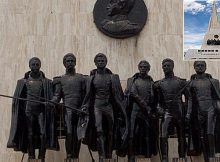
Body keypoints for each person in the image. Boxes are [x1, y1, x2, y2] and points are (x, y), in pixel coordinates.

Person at [77, 53, 128, 162]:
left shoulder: (113, 77)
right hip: (97, 106)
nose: (101, 62)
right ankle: (101, 156)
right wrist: (84, 107)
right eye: (99, 61)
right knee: (99, 131)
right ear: (95, 63)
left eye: (103, 60)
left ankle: (109, 154)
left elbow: (118, 95)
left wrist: (122, 109)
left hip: (108, 106)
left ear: (106, 62)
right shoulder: (91, 78)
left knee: (111, 131)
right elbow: (88, 96)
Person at [7, 57, 58, 162]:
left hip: (41, 111)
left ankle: (41, 156)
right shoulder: (23, 82)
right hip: (28, 111)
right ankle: (31, 156)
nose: (35, 66)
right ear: (29, 66)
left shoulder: (46, 82)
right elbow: (16, 99)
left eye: (37, 64)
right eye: (33, 65)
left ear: (40, 66)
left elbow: (54, 97)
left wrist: (50, 102)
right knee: (29, 133)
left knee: (43, 133)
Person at [51, 53, 86, 161]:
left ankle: (76, 156)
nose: (70, 63)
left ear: (75, 62)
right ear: (64, 63)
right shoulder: (60, 79)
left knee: (78, 134)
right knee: (69, 133)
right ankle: (69, 155)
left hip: (79, 110)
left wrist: (84, 107)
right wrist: (51, 102)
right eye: (68, 61)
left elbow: (85, 95)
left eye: (72, 61)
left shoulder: (81, 78)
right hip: (68, 110)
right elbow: (57, 96)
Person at [154, 58, 188, 162]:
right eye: (164, 66)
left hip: (179, 112)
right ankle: (164, 158)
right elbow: (157, 101)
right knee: (163, 135)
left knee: (181, 136)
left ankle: (182, 156)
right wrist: (159, 109)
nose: (166, 67)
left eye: (168, 65)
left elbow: (188, 98)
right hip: (166, 112)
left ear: (173, 66)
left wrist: (186, 111)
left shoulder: (181, 82)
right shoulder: (159, 84)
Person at [186, 61, 220, 162]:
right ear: (194, 67)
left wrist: (217, 108)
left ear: (206, 67)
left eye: (202, 65)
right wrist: (188, 113)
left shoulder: (213, 81)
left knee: (210, 132)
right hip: (198, 110)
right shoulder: (190, 83)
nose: (200, 67)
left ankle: (212, 155)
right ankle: (205, 156)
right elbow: (190, 99)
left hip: (210, 109)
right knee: (200, 134)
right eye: (197, 65)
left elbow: (217, 97)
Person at [124, 60, 158, 162]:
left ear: (148, 69)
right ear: (139, 68)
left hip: (146, 112)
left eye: (145, 67)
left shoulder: (151, 82)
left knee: (148, 134)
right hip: (135, 111)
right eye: (141, 67)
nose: (143, 69)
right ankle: (131, 157)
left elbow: (153, 98)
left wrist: (151, 107)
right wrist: (145, 106)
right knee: (131, 134)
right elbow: (134, 94)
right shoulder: (133, 81)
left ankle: (147, 155)